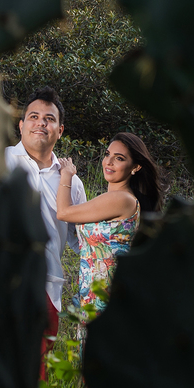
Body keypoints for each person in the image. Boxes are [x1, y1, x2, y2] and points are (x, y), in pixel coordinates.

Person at [3, 87, 85, 375]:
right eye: (34, 116)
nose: (41, 123)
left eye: (49, 119)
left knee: (31, 383)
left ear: (60, 130)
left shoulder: (71, 182)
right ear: (21, 124)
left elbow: (81, 241)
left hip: (45, 289)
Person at [56, 132, 166, 314]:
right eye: (107, 154)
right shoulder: (115, 199)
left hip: (106, 298)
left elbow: (64, 212)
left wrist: (67, 174)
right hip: (93, 295)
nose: (109, 162)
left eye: (119, 158)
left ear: (136, 167)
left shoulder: (121, 199)